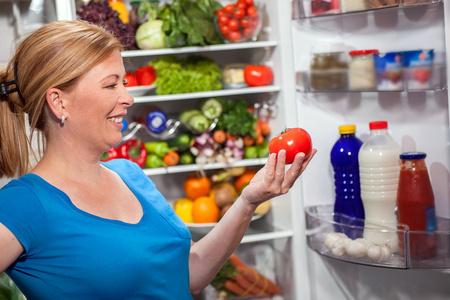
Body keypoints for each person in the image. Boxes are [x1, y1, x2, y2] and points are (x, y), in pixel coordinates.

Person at [0, 20, 316, 299]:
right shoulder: (23, 204)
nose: (127, 97)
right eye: (111, 85)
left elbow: (188, 275)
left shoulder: (129, 174)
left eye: (123, 83)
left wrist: (247, 201)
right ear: (59, 102)